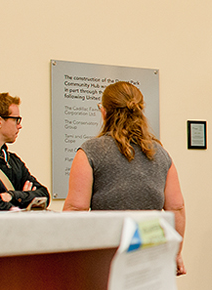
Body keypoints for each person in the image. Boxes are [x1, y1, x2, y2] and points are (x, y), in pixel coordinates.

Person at [63, 82, 187, 276]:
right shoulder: (161, 153)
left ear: (104, 112)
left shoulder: (90, 151)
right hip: (151, 253)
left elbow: (76, 208)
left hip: (106, 256)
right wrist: (176, 253)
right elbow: (176, 208)